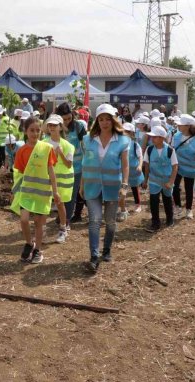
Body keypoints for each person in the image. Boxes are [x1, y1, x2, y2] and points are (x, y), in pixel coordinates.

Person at [80, 104, 130, 272]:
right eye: (101, 119)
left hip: (112, 187)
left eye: (108, 119)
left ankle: (106, 250)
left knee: (110, 222)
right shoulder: (88, 139)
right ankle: (94, 257)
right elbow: (84, 164)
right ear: (97, 121)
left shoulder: (122, 140)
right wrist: (81, 184)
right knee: (94, 220)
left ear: (113, 120)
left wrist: (124, 185)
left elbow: (125, 166)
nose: (104, 123)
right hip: (91, 186)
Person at [11, 116, 60, 264]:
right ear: (25, 131)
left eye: (38, 130)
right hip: (26, 193)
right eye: (32, 130)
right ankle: (28, 243)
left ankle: (37, 250)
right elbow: (18, 174)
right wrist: (13, 192)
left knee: (39, 223)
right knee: (24, 219)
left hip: (42, 193)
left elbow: (51, 170)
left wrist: (55, 191)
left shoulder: (46, 149)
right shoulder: (21, 151)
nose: (35, 133)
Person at [55, 102, 87, 224]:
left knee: (71, 194)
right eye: (64, 119)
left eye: (69, 118)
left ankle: (66, 220)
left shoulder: (78, 126)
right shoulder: (56, 127)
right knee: (60, 193)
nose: (67, 121)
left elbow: (84, 146)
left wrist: (86, 163)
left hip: (76, 167)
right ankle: (62, 215)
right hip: (60, 166)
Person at [45, 114, 74, 243]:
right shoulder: (43, 143)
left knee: (60, 203)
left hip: (62, 181)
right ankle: (42, 231)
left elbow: (69, 164)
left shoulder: (67, 145)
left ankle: (63, 228)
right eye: (50, 125)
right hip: (46, 178)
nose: (52, 127)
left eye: (55, 125)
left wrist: (60, 153)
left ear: (60, 127)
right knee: (44, 205)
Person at [142, 126, 178, 232]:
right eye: (151, 137)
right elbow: (147, 165)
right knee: (153, 201)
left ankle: (170, 219)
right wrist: (145, 180)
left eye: (155, 137)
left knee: (167, 200)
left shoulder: (170, 150)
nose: (152, 139)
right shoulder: (149, 149)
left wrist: (171, 182)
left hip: (167, 181)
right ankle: (155, 223)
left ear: (162, 138)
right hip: (154, 181)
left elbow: (175, 166)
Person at [172, 115, 195, 219]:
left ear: (188, 126)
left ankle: (189, 209)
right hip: (177, 167)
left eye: (181, 125)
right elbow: (172, 151)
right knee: (175, 187)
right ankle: (177, 206)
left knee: (189, 189)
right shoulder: (176, 136)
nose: (179, 126)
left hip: (190, 169)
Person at [122, 122, 144, 214]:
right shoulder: (120, 144)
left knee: (135, 188)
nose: (124, 133)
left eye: (127, 131)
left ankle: (138, 204)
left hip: (134, 171)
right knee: (123, 189)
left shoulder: (135, 145)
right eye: (123, 131)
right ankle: (122, 207)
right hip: (123, 171)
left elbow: (140, 156)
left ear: (132, 133)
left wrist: (140, 165)